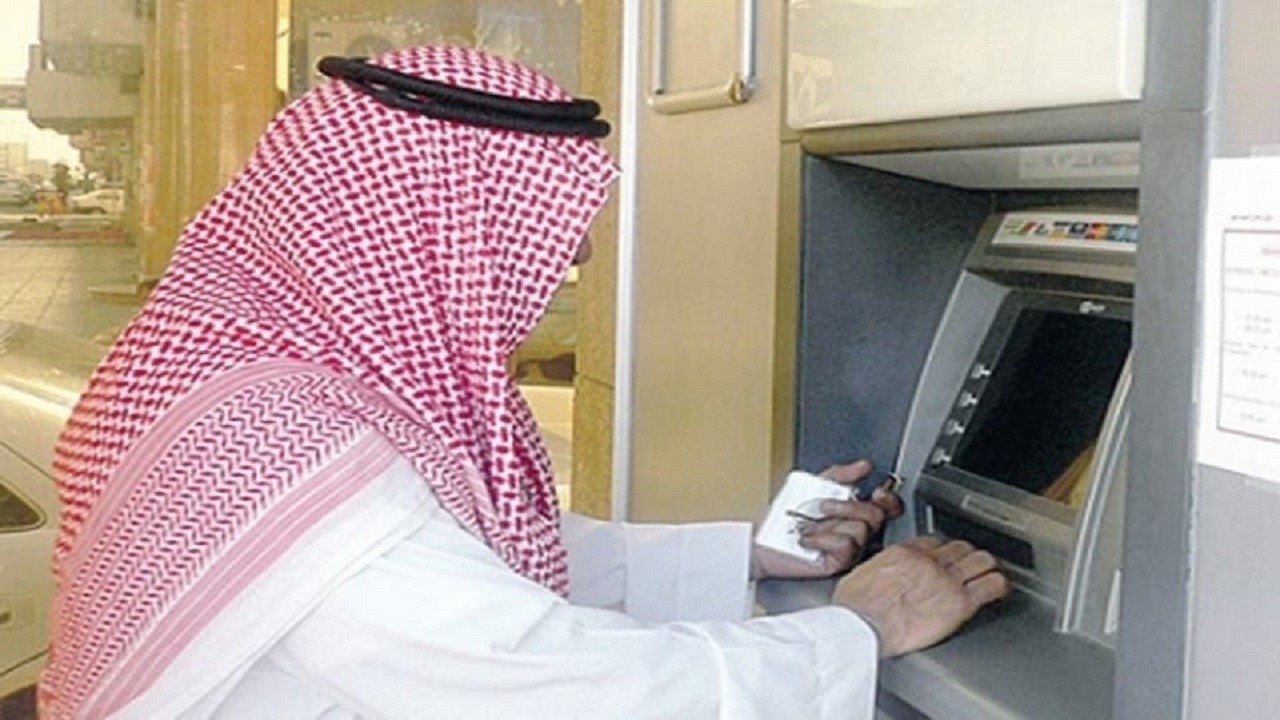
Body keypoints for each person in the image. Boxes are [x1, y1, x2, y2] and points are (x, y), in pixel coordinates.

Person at [39, 46, 1007, 719]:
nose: (559, 271)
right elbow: (546, 688)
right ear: (422, 231)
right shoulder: (270, 439)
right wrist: (863, 629)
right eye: (525, 246)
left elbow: (457, 546)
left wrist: (741, 558)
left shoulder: (249, 374)